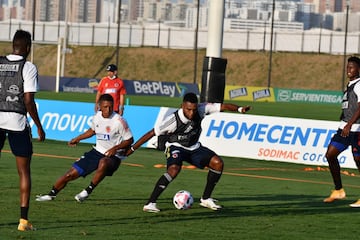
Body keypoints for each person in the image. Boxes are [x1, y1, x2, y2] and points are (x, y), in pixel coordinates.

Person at [126, 92, 251, 212]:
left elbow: (222, 106)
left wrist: (239, 109)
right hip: (176, 146)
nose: (191, 113)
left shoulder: (202, 109)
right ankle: (150, 203)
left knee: (218, 163)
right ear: (182, 106)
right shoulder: (173, 120)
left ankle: (206, 199)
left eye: (194, 110)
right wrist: (132, 149)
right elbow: (151, 133)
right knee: (173, 170)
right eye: (188, 109)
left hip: (193, 148)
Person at [36, 94, 133, 203]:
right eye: (105, 107)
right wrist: (78, 138)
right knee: (70, 174)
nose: (108, 109)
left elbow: (129, 140)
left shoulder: (119, 121)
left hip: (114, 156)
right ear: (99, 106)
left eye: (111, 106)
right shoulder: (97, 117)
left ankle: (88, 191)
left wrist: (116, 148)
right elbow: (92, 131)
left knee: (103, 162)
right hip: (96, 152)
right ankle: (51, 195)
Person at [0, 30, 46, 231]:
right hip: (17, 122)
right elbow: (28, 100)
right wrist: (38, 124)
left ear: (13, 45)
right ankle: (23, 221)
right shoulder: (28, 67)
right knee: (23, 171)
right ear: (27, 47)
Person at [323, 56, 360, 207]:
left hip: (356, 129)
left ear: (358, 69)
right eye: (347, 67)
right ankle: (338, 190)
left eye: (351, 67)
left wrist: (350, 124)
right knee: (330, 154)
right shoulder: (350, 85)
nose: (348, 70)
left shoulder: (359, 84)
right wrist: (344, 122)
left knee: (359, 162)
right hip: (344, 128)